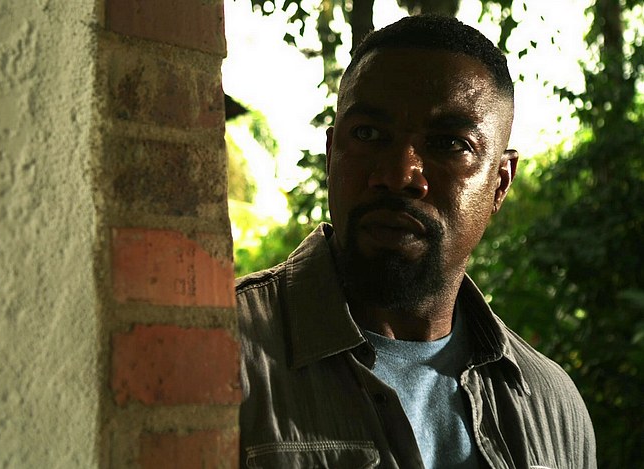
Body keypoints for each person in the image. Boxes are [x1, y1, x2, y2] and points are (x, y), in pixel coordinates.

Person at [235, 15, 596, 469]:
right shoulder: (224, 352)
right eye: (367, 134)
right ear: (331, 155)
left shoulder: (550, 406)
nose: (399, 174)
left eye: (449, 144)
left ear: (499, 184)